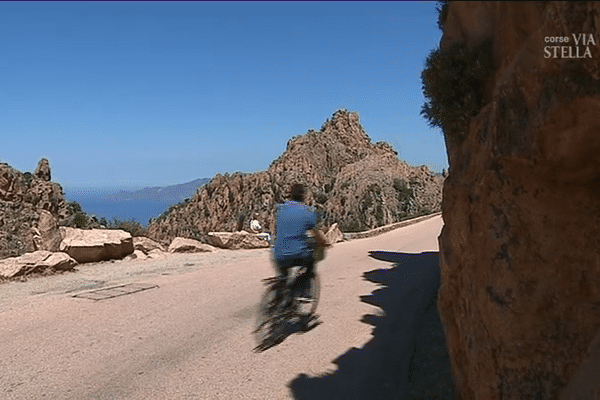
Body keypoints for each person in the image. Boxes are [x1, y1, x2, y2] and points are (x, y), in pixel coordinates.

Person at [272, 183, 330, 300]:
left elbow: (274, 228)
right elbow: (317, 234)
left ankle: (277, 301)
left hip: (278, 252)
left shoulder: (281, 208)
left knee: (283, 276)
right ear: (303, 196)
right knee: (310, 262)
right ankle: (302, 291)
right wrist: (324, 243)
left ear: (291, 195)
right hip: (297, 253)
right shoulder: (307, 212)